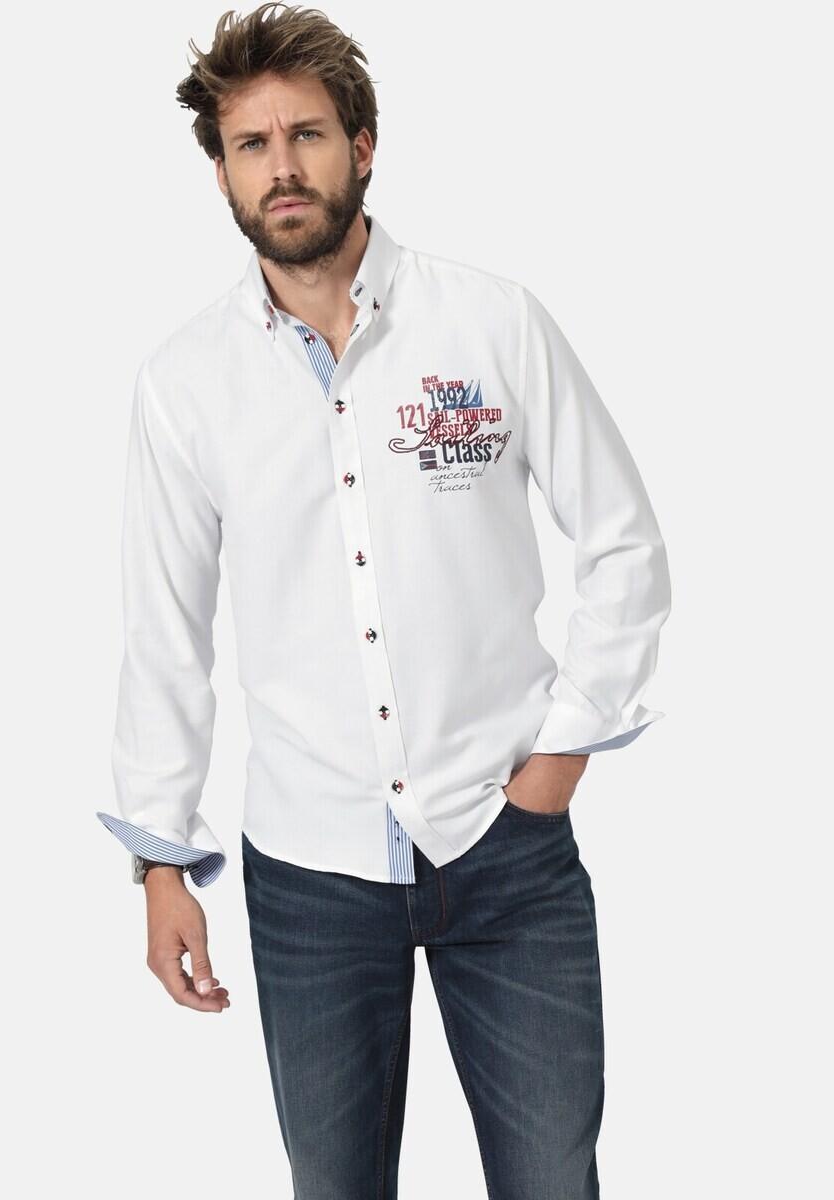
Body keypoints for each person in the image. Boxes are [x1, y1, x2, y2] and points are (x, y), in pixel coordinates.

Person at [96, 4, 672, 1196]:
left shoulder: (492, 321)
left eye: (306, 135)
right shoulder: (185, 384)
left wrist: (557, 762)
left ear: (363, 145)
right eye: (251, 145)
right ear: (221, 172)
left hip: (508, 848)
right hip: (308, 873)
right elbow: (165, 633)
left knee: (553, 1180)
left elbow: (624, 546)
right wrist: (160, 864)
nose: (282, 167)